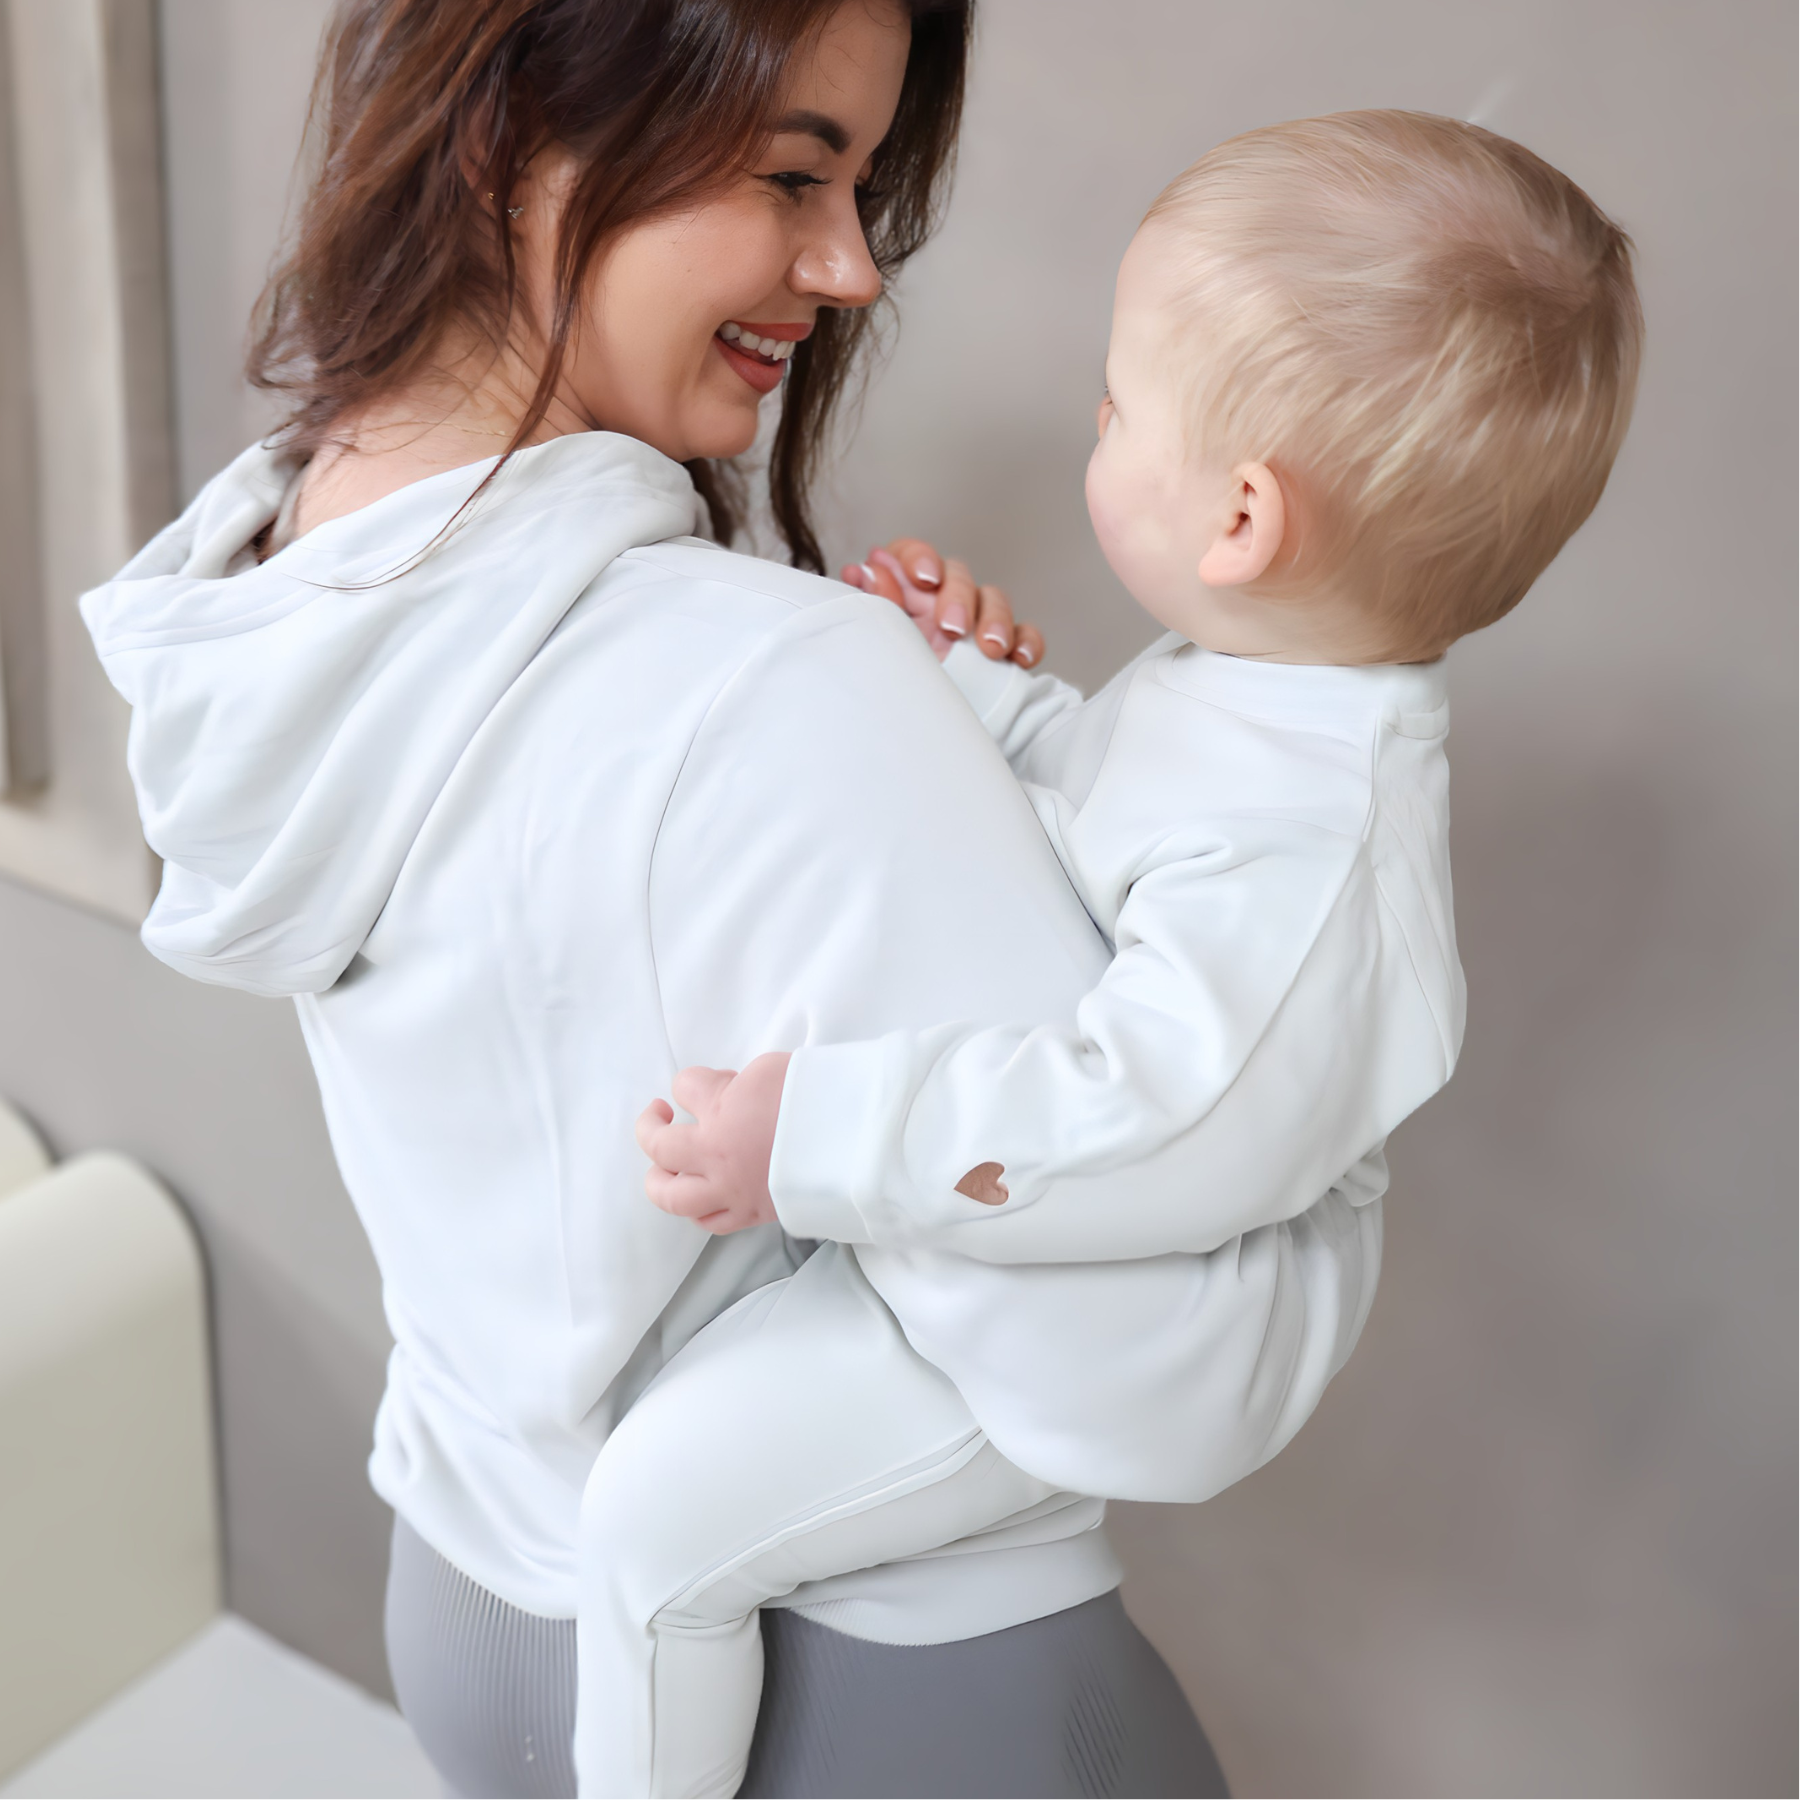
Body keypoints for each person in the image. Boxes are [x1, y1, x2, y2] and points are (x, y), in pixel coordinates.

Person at [79, 3, 1379, 1795]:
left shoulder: (295, 586)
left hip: (475, 1601)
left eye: (857, 188)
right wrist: (1325, 1144)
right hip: (884, 1700)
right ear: (510, 139)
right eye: (791, 176)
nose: (849, 267)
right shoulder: (774, 689)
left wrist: (968, 758)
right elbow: (1146, 1364)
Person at [625, 110, 1644, 1797]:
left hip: (1120, 1336)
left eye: (1119, 406)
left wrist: (811, 1139)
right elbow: (1101, 846)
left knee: (654, 1531)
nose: (1094, 421)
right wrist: (964, 686)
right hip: (1064, 1250)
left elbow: (1152, 1118)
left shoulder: (1319, 852)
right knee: (657, 1472)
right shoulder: (1264, 696)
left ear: (1240, 514)